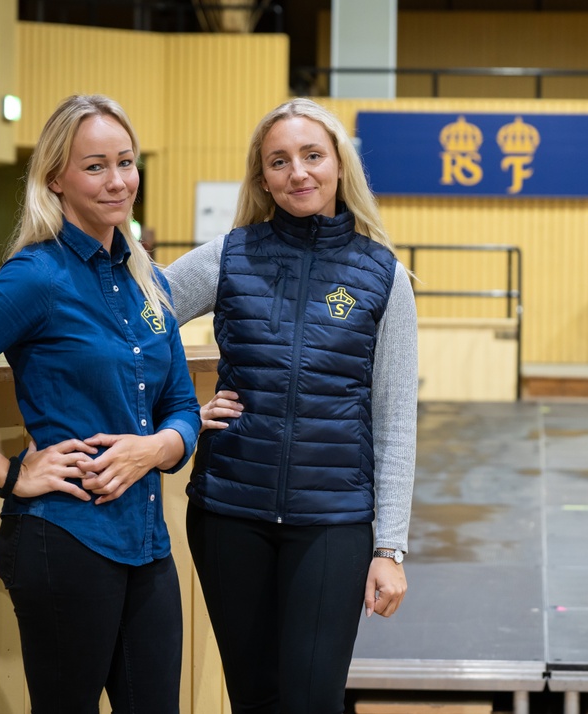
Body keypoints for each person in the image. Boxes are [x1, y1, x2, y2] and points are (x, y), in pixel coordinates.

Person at [0, 94, 201, 713]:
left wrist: (158, 448)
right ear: (55, 178)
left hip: (148, 540)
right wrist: (10, 475)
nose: (118, 181)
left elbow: (183, 405)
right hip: (65, 540)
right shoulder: (36, 277)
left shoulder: (148, 280)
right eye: (95, 166)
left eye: (126, 162)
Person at [164, 97, 418, 714]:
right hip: (229, 513)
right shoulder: (230, 255)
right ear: (262, 177)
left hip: (332, 522)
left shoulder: (384, 275)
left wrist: (389, 549)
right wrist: (183, 417)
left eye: (312, 155)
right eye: (278, 161)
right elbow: (135, 323)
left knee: (312, 700)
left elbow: (395, 419)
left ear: (339, 165)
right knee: (255, 698)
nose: (297, 172)